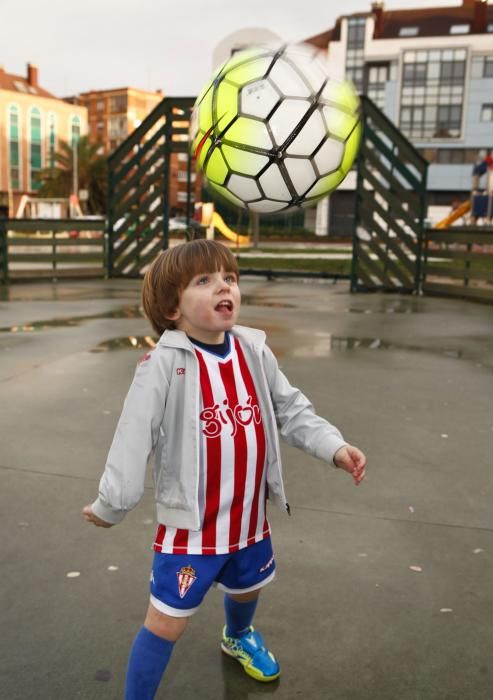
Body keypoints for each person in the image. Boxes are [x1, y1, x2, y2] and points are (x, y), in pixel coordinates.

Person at [83, 239, 367, 699]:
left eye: (229, 278)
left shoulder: (253, 351)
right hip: (192, 530)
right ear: (172, 308)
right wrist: (110, 505)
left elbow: (290, 410)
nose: (224, 287)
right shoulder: (162, 366)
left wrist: (333, 447)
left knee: (248, 586)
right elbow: (131, 440)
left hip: (249, 520)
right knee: (165, 622)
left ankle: (237, 636)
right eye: (204, 280)